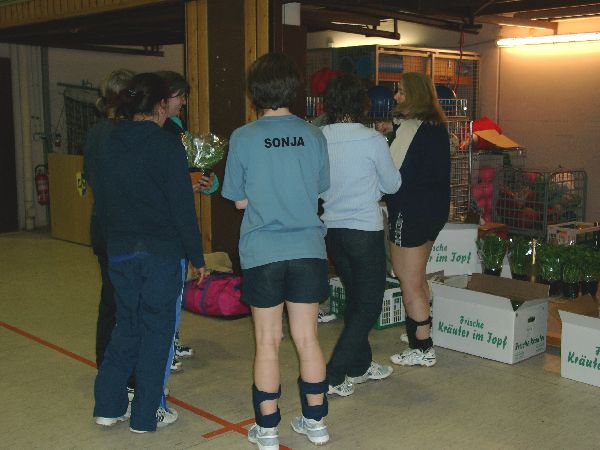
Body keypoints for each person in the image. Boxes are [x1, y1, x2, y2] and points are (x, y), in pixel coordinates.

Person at [222, 53, 331, 449]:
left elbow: (237, 200)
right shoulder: (313, 135)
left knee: (267, 341)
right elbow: (319, 188)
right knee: (307, 338)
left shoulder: (243, 137)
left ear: (255, 92)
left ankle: (267, 429)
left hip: (263, 251)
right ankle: (316, 423)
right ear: (293, 89)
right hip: (308, 250)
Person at [92, 72, 206, 433]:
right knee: (157, 333)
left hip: (120, 251)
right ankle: (145, 416)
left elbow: (102, 200)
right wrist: (198, 257)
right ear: (160, 105)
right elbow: (182, 209)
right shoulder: (166, 145)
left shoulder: (108, 141)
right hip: (161, 254)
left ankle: (108, 406)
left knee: (126, 327)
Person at [319, 75, 401, 397]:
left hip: (332, 229)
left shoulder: (318, 137)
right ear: (361, 104)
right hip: (364, 230)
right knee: (368, 303)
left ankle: (360, 365)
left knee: (356, 298)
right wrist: (372, 186)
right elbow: (392, 184)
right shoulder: (372, 140)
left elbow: (317, 185)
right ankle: (333, 374)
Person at [384, 72, 450, 367]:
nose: (396, 97)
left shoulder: (411, 128)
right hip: (434, 211)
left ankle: (422, 346)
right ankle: (420, 326)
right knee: (418, 275)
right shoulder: (436, 126)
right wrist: (392, 129)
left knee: (408, 280)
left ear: (413, 95)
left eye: (400, 91)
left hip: (409, 211)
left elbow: (391, 175)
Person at [156, 70, 218, 373]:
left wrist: (206, 180)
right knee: (162, 293)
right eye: (179, 96)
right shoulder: (156, 133)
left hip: (174, 223)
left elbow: (195, 171)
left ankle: (172, 338)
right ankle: (163, 347)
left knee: (174, 290)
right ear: (162, 99)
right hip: (160, 228)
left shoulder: (178, 129)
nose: (183, 102)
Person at [83, 68, 135, 385]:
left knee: (111, 299)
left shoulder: (95, 133)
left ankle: (106, 363)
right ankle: (125, 373)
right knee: (126, 304)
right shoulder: (123, 135)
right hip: (124, 232)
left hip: (104, 229)